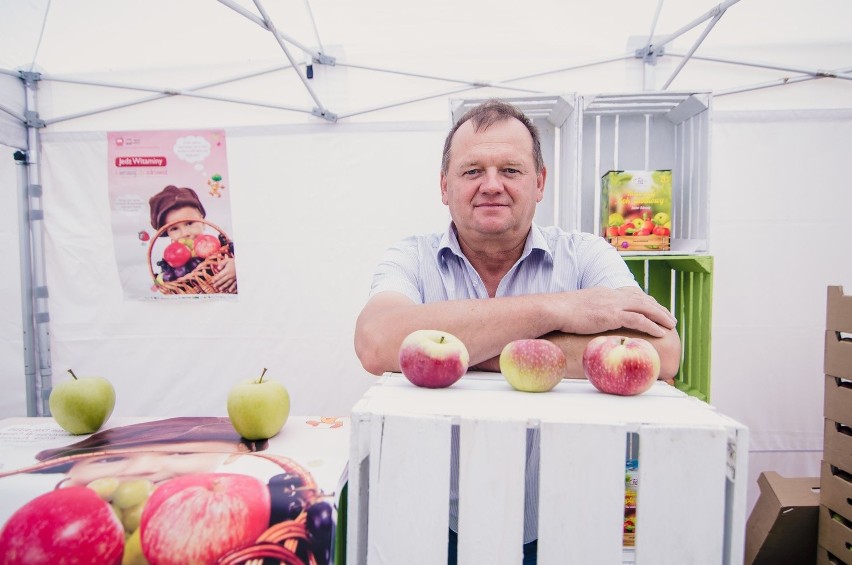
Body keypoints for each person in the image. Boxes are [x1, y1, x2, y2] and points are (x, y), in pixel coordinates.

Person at [354, 98, 681, 564]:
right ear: (444, 187)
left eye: (510, 169)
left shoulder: (587, 255)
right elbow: (376, 341)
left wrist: (456, 350)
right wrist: (561, 308)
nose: (491, 185)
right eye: (472, 172)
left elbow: (662, 352)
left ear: (540, 182)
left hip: (567, 521)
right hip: (432, 522)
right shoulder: (411, 258)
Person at [149, 184, 238, 293]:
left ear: (202, 221)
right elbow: (162, 279)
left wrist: (236, 265)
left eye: (190, 223)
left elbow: (248, 258)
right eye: (174, 228)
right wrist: (159, 286)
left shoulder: (221, 246)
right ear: (167, 232)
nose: (185, 233)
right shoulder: (172, 261)